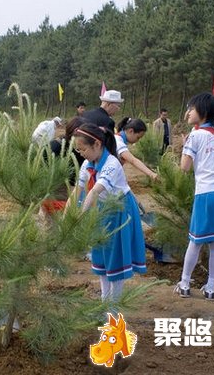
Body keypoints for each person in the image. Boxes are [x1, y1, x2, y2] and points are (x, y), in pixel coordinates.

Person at [173, 93, 214, 301]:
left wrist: (185, 147)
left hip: (206, 193)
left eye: (190, 109)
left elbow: (184, 168)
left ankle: (184, 283)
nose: (187, 113)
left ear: (201, 112)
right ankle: (210, 288)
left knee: (195, 241)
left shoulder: (195, 136)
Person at [70, 123, 146, 306]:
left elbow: (94, 192)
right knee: (101, 261)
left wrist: (78, 218)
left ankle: (114, 307)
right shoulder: (88, 163)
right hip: (101, 211)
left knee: (115, 261)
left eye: (83, 149)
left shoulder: (112, 164)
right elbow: (77, 192)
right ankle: (105, 304)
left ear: (97, 144)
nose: (81, 153)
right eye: (78, 150)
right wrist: (67, 217)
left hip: (119, 211)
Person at [41, 116, 86, 214]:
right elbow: (41, 166)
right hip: (53, 186)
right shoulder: (55, 147)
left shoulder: (84, 150)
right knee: (49, 219)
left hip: (75, 187)